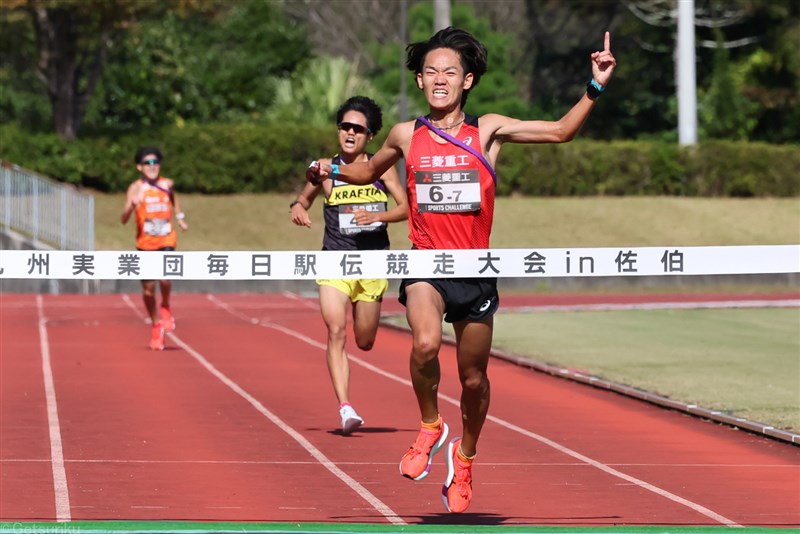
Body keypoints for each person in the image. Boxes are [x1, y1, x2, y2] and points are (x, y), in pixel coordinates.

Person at [307, 28, 616, 512]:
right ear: (419, 81)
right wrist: (326, 168)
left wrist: (595, 85)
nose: (439, 79)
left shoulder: (487, 130)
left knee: (473, 380)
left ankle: (465, 455)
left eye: (449, 72)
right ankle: (430, 425)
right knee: (425, 343)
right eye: (430, 71)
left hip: (474, 271)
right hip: (425, 263)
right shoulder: (406, 134)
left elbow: (561, 131)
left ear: (466, 80)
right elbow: (366, 171)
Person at [291, 96, 408, 435]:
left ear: (370, 136)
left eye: (358, 129)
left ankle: (364, 322)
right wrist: (297, 208)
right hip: (335, 262)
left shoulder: (381, 169)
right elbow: (304, 198)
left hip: (372, 264)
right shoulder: (325, 169)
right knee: (336, 330)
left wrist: (378, 217)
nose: (350, 133)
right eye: (345, 126)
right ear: (338, 130)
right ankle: (345, 408)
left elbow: (406, 209)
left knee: (365, 340)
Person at [121, 146, 188, 351]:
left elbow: (174, 199)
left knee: (165, 276)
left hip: (166, 239)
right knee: (148, 290)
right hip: (145, 244)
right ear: (139, 167)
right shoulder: (135, 188)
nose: (152, 166)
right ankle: (156, 324)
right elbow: (123, 219)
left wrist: (180, 218)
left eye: (155, 162)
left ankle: (165, 305)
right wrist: (132, 205)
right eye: (148, 163)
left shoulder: (167, 184)